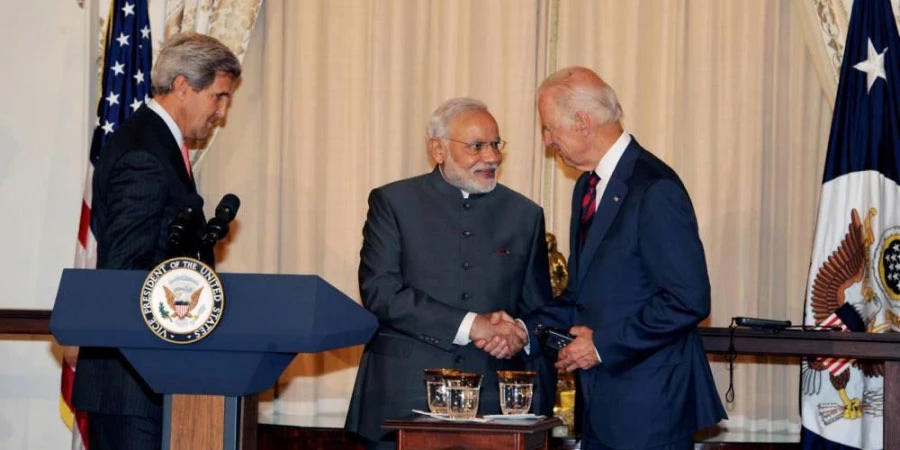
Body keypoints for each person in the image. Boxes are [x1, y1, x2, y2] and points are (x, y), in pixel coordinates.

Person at [517, 66, 726, 449]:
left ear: (582, 122)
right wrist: (520, 329)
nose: (547, 141)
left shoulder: (654, 188)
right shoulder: (588, 186)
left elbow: (688, 299)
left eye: (549, 128)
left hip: (650, 409)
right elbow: (580, 296)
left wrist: (601, 346)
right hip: (600, 406)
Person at [345, 97, 553, 449]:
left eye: (495, 144)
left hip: (493, 401)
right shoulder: (394, 202)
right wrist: (474, 325)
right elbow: (381, 292)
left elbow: (538, 308)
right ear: (438, 150)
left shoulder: (524, 214)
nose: (492, 157)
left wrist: (518, 332)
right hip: (404, 395)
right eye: (476, 146)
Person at [71, 33, 241, 450]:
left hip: (146, 376)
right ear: (183, 86)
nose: (222, 112)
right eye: (219, 97)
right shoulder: (144, 153)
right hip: (132, 382)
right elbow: (128, 269)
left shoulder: (156, 142)